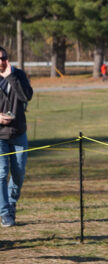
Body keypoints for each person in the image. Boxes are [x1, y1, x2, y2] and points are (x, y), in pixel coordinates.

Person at [0, 46, 33, 227]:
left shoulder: (18, 74)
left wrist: (11, 77)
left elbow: (26, 96)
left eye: (4, 58)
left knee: (18, 173)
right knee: (1, 173)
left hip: (18, 132)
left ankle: (12, 204)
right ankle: (5, 213)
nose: (1, 62)